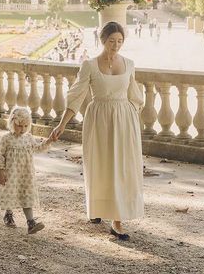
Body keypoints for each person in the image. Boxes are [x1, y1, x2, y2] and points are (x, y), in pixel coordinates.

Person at [50, 21, 144, 241]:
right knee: (100, 165)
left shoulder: (129, 64)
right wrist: (62, 124)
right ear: (103, 41)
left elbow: (135, 96)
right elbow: (77, 95)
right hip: (99, 118)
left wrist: (131, 119)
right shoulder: (90, 65)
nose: (116, 45)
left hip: (123, 119)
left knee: (122, 167)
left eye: (120, 41)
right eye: (112, 41)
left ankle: (118, 220)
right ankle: (99, 207)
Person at [0, 106, 52, 234]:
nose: (23, 129)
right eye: (20, 126)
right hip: (11, 174)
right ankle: (8, 214)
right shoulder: (6, 139)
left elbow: (38, 148)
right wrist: (0, 171)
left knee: (26, 195)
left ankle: (31, 223)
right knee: (10, 193)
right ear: (12, 122)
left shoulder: (28, 138)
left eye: (26, 126)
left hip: (25, 174)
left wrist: (49, 141)